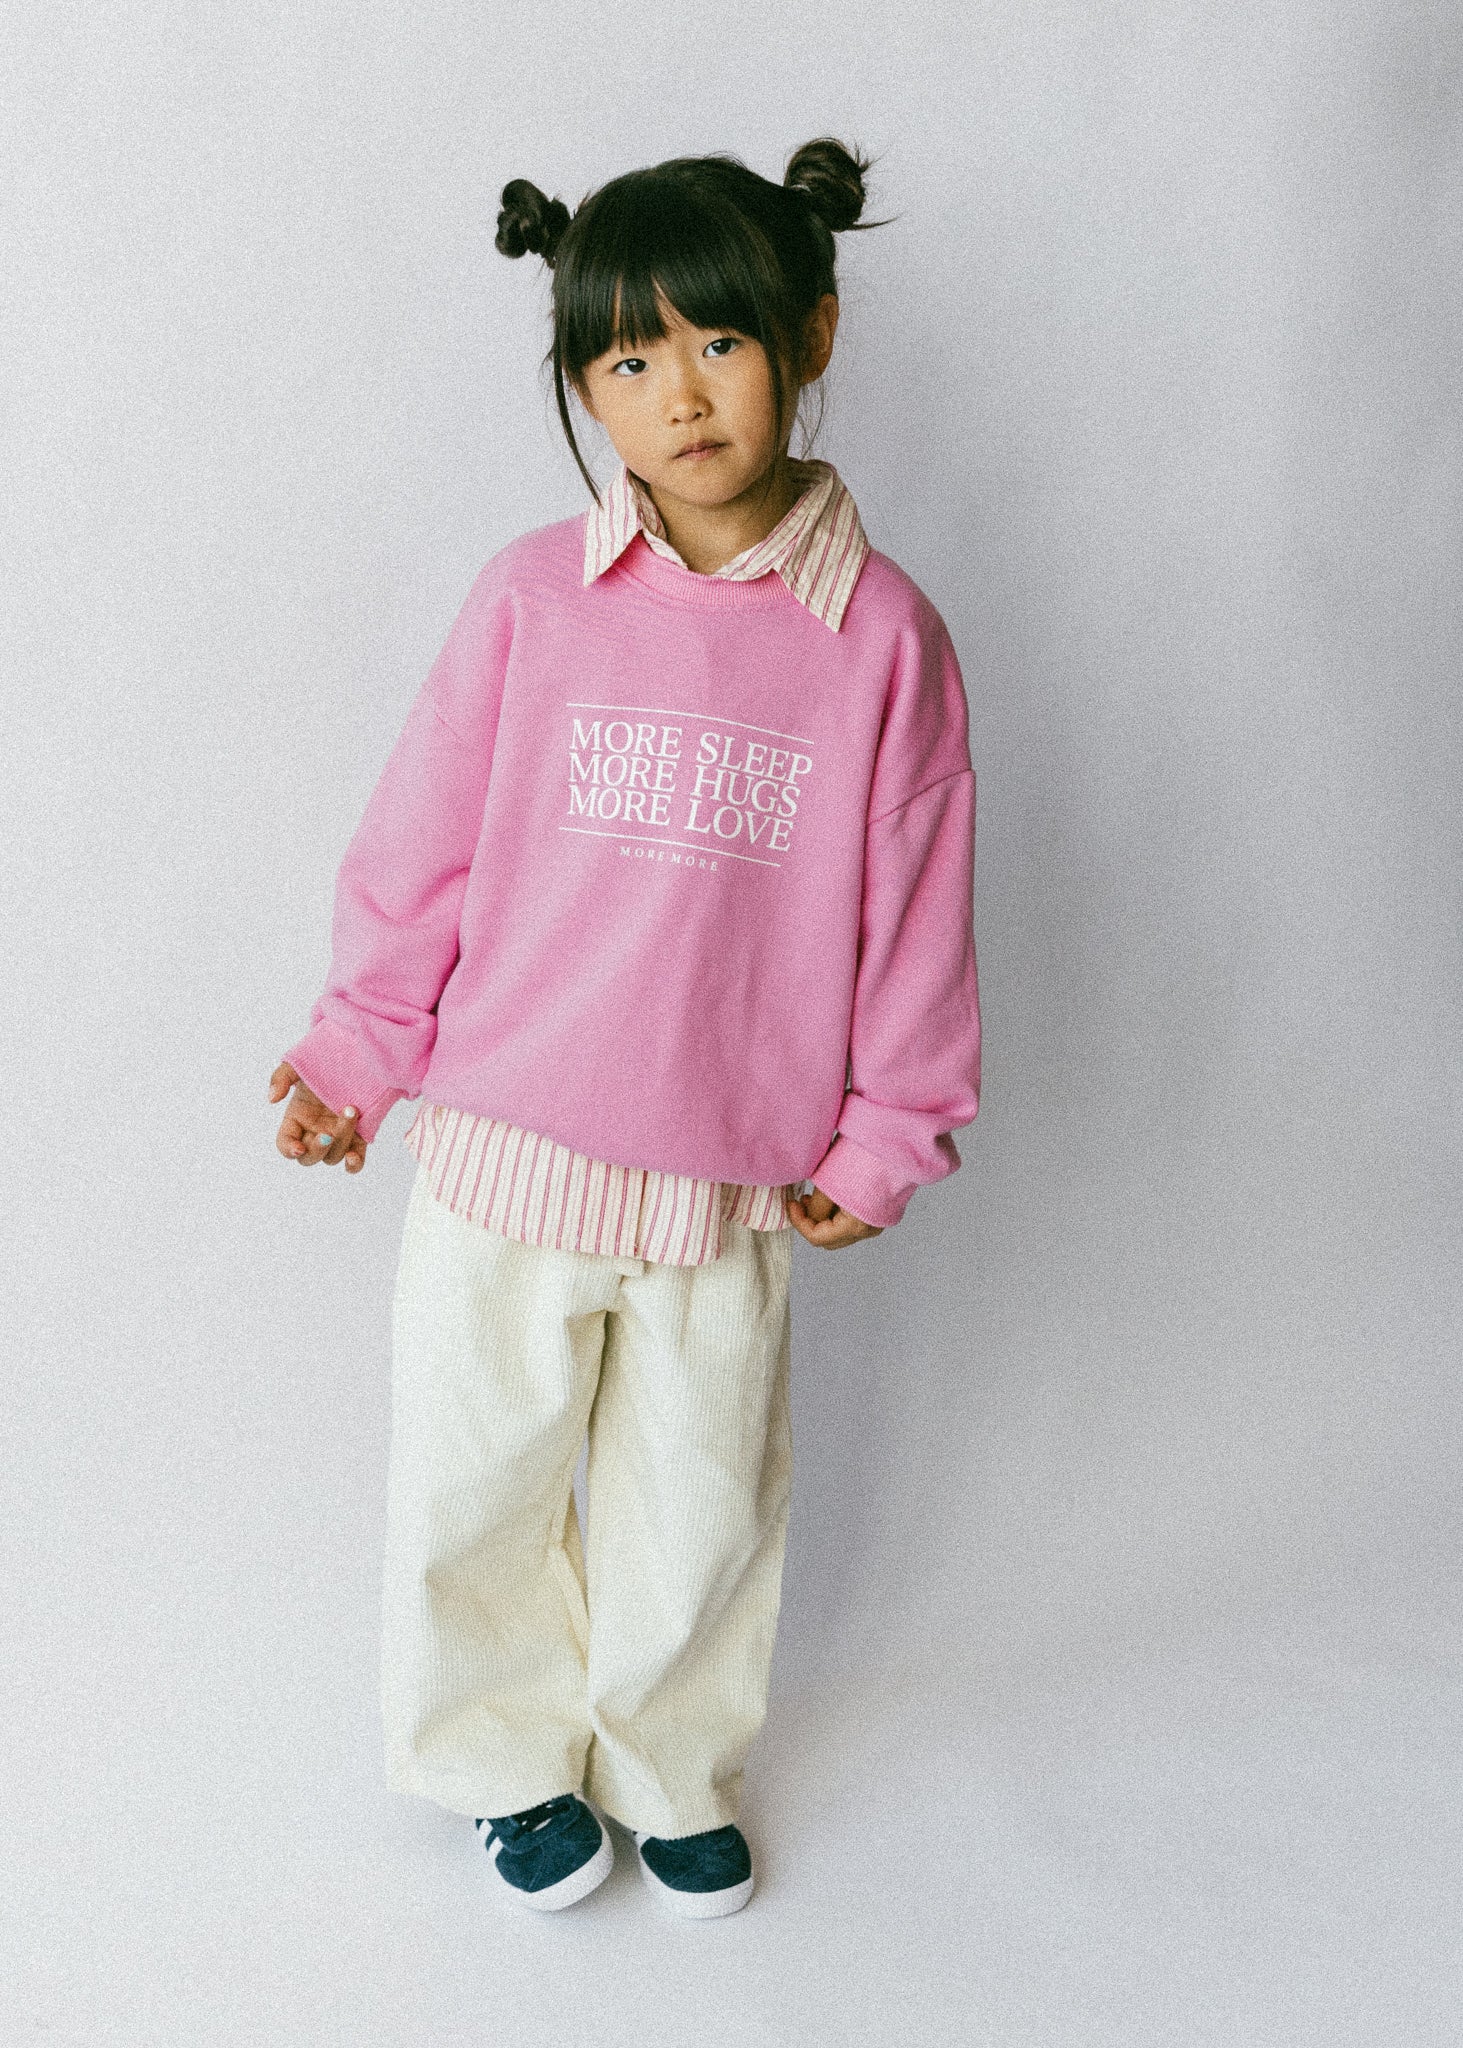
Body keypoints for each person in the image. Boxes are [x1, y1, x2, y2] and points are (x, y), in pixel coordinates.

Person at [268, 138, 980, 1919]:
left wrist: (888, 1130)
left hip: (726, 1177)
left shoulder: (882, 639)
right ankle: (502, 1761)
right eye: (629, 359)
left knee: (703, 1502)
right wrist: (358, 1050)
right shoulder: (533, 597)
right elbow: (422, 848)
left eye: (720, 342)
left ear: (812, 333)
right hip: (503, 1153)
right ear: (585, 386)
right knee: (476, 1483)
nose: (682, 394)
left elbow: (917, 906)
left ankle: (671, 1765)